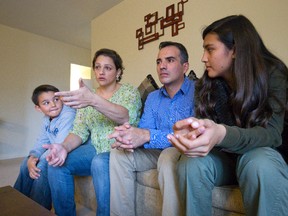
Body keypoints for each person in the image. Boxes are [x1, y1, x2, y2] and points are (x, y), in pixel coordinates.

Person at [168, 15, 288, 216]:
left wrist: (222, 133)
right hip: (227, 160)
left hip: (263, 154)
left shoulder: (273, 74)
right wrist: (195, 133)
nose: (203, 58)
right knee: (191, 162)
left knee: (258, 164)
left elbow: (272, 135)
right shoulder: (208, 85)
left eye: (210, 49)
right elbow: (210, 135)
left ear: (234, 50)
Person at [43, 48, 141, 216]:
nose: (101, 72)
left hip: (119, 149)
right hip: (95, 147)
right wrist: (63, 147)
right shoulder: (88, 96)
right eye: (97, 67)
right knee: (56, 165)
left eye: (108, 68)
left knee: (99, 162)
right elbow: (79, 131)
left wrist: (93, 100)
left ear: (118, 72)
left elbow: (126, 117)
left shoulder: (129, 92)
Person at [108, 41, 195, 216]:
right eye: (158, 61)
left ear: (185, 66)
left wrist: (148, 135)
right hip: (155, 151)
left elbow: (191, 135)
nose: (162, 66)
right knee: (118, 154)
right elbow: (145, 131)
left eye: (169, 60)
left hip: (184, 151)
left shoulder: (199, 92)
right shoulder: (153, 97)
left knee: (168, 155)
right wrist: (129, 136)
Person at [14, 84, 76, 210]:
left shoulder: (68, 114)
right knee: (26, 163)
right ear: (38, 108)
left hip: (69, 148)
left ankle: (38, 209)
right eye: (46, 103)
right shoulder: (46, 119)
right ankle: (17, 202)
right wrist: (33, 157)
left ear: (61, 98)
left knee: (43, 165)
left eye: (56, 99)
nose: (53, 105)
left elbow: (60, 144)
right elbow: (42, 140)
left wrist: (39, 159)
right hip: (55, 148)